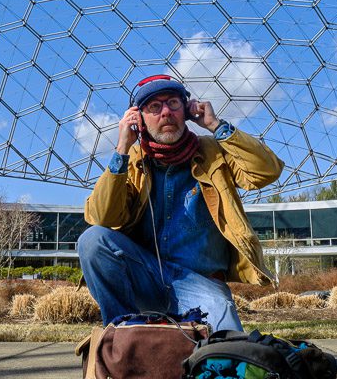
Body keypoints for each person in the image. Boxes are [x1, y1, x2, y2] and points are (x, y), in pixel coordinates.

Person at [78, 74, 284, 331]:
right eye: (154, 106)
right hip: (147, 277)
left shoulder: (213, 151)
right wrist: (121, 148)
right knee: (92, 239)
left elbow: (267, 171)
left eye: (173, 103)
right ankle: (122, 333)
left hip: (201, 284)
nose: (165, 112)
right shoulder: (131, 160)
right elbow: (103, 218)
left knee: (228, 344)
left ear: (186, 110)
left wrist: (216, 125)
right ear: (138, 119)